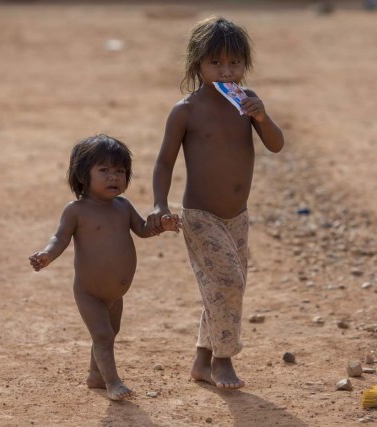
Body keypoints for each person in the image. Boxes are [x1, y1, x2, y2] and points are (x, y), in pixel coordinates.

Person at [147, 16, 284, 389]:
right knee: (227, 282)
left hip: (237, 218)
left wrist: (262, 115)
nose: (227, 70)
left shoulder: (246, 104)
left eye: (235, 63)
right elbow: (164, 161)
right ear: (198, 64)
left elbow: (276, 144)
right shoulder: (186, 110)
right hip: (201, 216)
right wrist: (161, 204)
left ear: (245, 64)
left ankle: (202, 360)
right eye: (216, 63)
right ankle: (223, 361)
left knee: (222, 287)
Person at [29, 134, 180, 400]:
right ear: (82, 177)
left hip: (115, 294)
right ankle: (113, 383)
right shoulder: (77, 211)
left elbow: (143, 230)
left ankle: (96, 375)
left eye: (120, 171)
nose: (114, 177)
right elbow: (59, 238)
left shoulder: (123, 206)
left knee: (110, 333)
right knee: (102, 335)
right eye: (105, 170)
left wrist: (161, 226)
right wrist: (46, 255)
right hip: (89, 292)